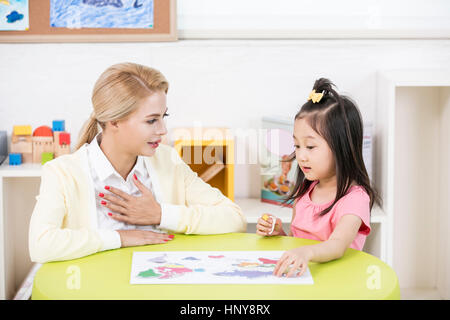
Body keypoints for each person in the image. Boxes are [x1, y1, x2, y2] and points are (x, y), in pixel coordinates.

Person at [29, 62, 246, 263]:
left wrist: (160, 214)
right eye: (151, 120)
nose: (162, 130)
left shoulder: (168, 160)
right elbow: (40, 245)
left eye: (163, 117)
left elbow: (234, 218)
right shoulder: (62, 173)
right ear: (114, 121)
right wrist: (119, 237)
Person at [256, 78, 381, 277]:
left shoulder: (355, 199)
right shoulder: (305, 191)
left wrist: (307, 252)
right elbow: (297, 242)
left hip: (337, 284)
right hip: (304, 280)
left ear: (342, 147)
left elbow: (336, 246)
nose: (301, 155)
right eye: (297, 146)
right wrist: (278, 234)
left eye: (310, 146)